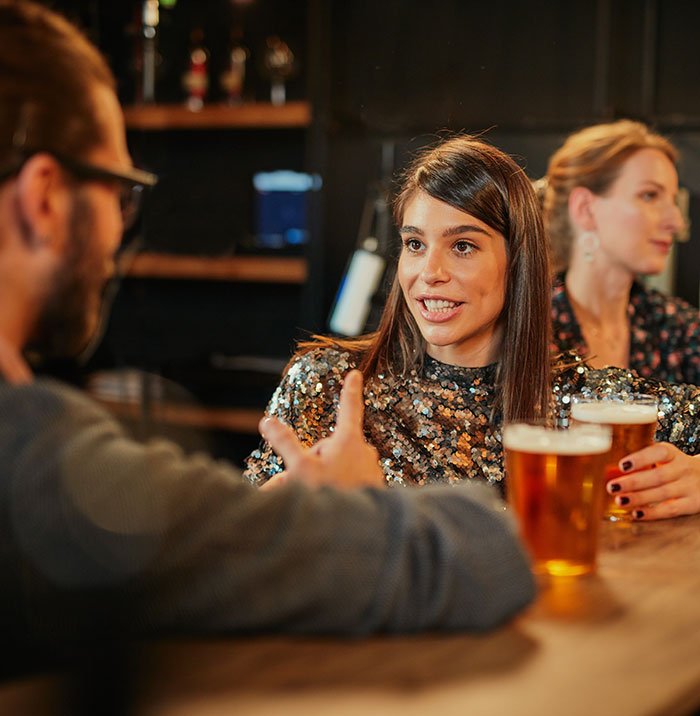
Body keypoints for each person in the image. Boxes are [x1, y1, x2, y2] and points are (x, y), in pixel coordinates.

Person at [0, 0, 538, 676]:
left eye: (463, 245)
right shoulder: (34, 460)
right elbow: (481, 558)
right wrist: (349, 505)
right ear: (45, 198)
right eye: (120, 189)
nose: (120, 228)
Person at [245, 134, 700, 521]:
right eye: (415, 243)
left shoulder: (582, 403)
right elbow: (246, 555)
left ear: (518, 263)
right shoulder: (328, 384)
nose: (430, 271)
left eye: (462, 246)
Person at [543, 119, 700, 383]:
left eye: (673, 200)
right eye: (650, 195)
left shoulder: (682, 330)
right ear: (586, 208)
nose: (676, 221)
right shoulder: (525, 325)